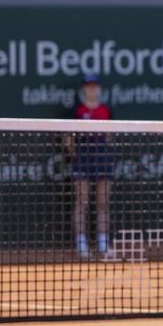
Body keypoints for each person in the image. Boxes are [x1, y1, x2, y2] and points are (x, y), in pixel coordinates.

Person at [64, 74, 113, 259]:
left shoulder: (106, 111)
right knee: (81, 202)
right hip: (82, 160)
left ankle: (103, 243)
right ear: (84, 89)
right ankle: (81, 244)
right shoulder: (76, 111)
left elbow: (110, 137)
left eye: (95, 86)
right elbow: (68, 138)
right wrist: (76, 155)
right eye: (88, 86)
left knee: (103, 203)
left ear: (99, 89)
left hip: (102, 160)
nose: (92, 89)